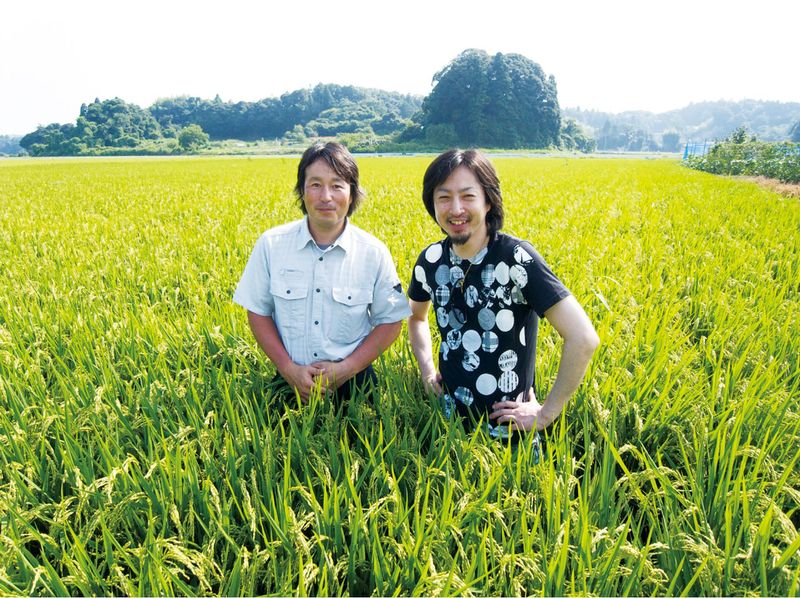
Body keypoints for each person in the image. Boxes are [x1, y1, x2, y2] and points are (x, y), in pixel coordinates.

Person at [407, 149, 599, 442]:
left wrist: (545, 414)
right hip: (446, 424)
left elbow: (583, 338)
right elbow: (416, 317)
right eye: (443, 197)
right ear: (432, 204)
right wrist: (426, 371)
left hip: (510, 431)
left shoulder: (516, 259)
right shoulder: (430, 260)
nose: (455, 209)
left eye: (468, 196)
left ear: (488, 201)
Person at [234, 142, 411, 405]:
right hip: (290, 379)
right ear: (302, 191)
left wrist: (347, 368)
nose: (326, 196)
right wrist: (288, 369)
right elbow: (258, 311)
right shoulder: (272, 244)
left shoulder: (373, 252)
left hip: (356, 381)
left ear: (352, 193)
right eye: (315, 184)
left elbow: (391, 321)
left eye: (337, 185)